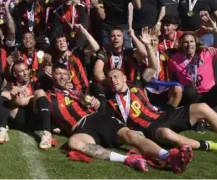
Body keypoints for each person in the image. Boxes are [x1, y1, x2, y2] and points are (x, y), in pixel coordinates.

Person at [36, 64, 193, 174]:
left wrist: (95, 102)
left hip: (97, 118)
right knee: (74, 143)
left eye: (65, 73)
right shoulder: (48, 96)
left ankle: (169, 156)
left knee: (130, 135)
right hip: (80, 128)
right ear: (51, 75)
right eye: (58, 73)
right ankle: (128, 160)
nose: (62, 76)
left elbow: (92, 102)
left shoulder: (77, 93)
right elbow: (32, 101)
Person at [108, 51, 217, 153]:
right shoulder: (111, 102)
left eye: (115, 76)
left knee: (202, 107)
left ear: (124, 78)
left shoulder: (137, 85)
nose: (113, 80)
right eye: (110, 78)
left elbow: (153, 66)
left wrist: (148, 46)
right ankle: (209, 145)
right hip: (150, 129)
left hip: (163, 115)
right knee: (166, 134)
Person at [0, 61, 52, 149]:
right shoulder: (11, 85)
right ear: (15, 74)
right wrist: (14, 96)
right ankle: (2, 129)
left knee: (39, 92)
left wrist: (26, 98)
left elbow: (46, 95)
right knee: (5, 93)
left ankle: (47, 133)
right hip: (17, 119)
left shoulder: (35, 83)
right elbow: (10, 101)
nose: (25, 73)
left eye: (26, 70)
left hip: (33, 119)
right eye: (21, 71)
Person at [168, 12, 217, 107]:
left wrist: (215, 29)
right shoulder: (175, 59)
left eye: (191, 41)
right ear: (181, 45)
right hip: (190, 96)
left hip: (208, 94)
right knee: (190, 90)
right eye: (185, 42)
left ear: (196, 43)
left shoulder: (206, 53)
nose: (189, 44)